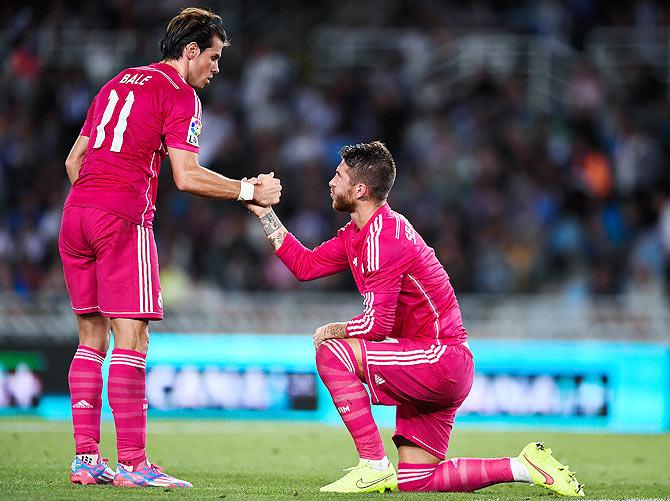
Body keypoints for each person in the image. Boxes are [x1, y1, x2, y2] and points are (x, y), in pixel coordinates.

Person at [244, 141, 584, 496]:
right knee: (417, 481)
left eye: (338, 175)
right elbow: (306, 265)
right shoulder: (360, 234)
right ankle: (525, 468)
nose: (331, 182)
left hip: (438, 358)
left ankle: (373, 465)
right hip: (438, 360)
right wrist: (265, 214)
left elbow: (377, 327)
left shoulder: (384, 237)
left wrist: (337, 330)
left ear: (360, 190)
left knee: (332, 353)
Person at [59, 7, 281, 488]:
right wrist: (248, 190)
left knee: (90, 339)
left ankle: (86, 460)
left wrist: (96, 199)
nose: (217, 69)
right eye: (215, 57)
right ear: (191, 51)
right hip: (121, 219)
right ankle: (134, 466)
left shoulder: (117, 82)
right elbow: (186, 175)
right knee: (132, 339)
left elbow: (74, 159)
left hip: (75, 215)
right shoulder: (179, 94)